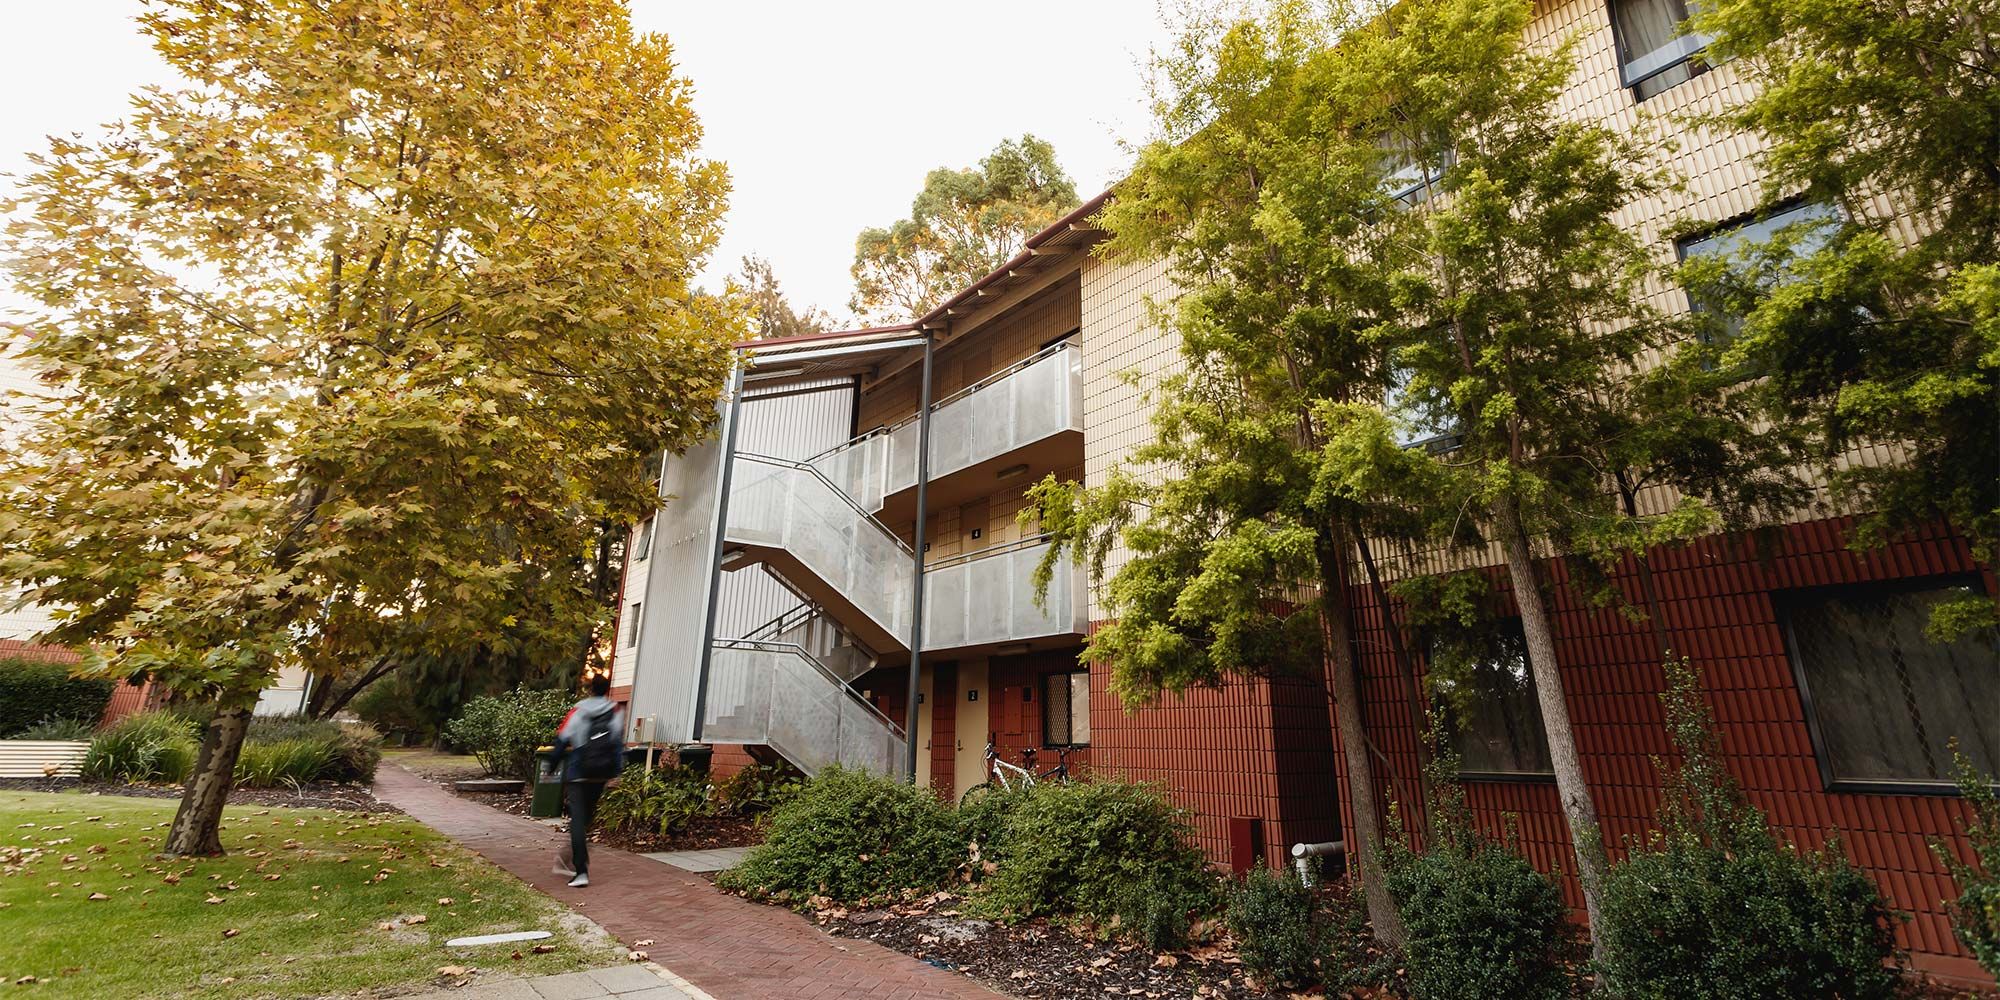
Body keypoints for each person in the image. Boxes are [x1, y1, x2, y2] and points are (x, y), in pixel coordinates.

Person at [549, 674, 624, 888]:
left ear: (590, 689)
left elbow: (562, 740)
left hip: (579, 772)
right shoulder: (615, 710)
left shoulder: (578, 710)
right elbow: (618, 744)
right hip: (600, 774)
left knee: (578, 821)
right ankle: (568, 859)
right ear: (607, 688)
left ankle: (581, 871)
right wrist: (616, 772)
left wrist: (552, 767)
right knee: (585, 820)